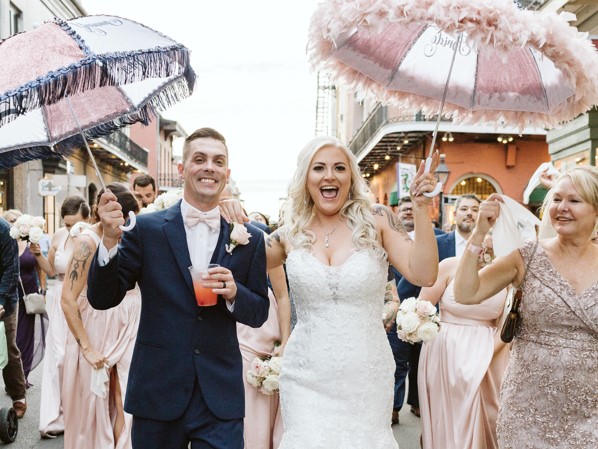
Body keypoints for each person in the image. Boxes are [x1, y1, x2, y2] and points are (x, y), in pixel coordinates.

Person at [248, 136, 440, 447]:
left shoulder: (377, 220)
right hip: (305, 375)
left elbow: (425, 273)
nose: (329, 176)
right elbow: (236, 260)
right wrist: (222, 212)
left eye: (339, 167)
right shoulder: (289, 234)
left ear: (351, 177)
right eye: (319, 168)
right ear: (305, 179)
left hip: (366, 374)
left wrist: (420, 208)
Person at [87, 127, 270, 449]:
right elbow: (103, 298)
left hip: (219, 397)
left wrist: (234, 293)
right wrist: (109, 241)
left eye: (217, 161)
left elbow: (258, 314)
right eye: (199, 159)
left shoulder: (249, 237)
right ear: (182, 169)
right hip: (157, 390)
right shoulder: (146, 229)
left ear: (227, 174)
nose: (208, 167)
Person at [453, 166, 598, 449]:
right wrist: (480, 232)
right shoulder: (527, 256)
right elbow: (466, 293)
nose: (562, 208)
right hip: (528, 408)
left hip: (591, 410)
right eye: (556, 199)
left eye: (574, 201)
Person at [60, 184, 141, 449]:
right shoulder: (87, 242)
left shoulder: (131, 238)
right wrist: (87, 347)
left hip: (130, 325)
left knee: (126, 397)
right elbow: (68, 300)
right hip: (95, 327)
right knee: (96, 400)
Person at [417, 233, 509, 449]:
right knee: (443, 415)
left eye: (495, 236)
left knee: (488, 416)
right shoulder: (449, 266)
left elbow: (507, 326)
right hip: (444, 353)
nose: (486, 246)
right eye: (484, 237)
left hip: (489, 355)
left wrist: (484, 356)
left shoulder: (506, 274)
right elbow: (423, 307)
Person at [396, 193, 481, 417]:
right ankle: (415, 405)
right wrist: (402, 309)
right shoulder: (439, 241)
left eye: (474, 209)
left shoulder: (492, 249)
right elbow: (415, 278)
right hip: (440, 326)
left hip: (477, 331)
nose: (469, 213)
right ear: (455, 213)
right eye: (464, 209)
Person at [32, 195, 91, 438]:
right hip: (59, 300)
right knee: (59, 357)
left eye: (75, 222)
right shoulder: (58, 236)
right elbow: (50, 269)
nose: (70, 228)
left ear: (87, 218)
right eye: (66, 224)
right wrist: (37, 254)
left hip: (84, 302)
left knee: (80, 357)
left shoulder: (91, 237)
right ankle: (56, 416)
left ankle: (81, 415)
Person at [3, 210, 49, 389]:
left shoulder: (31, 243)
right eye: (11, 221)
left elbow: (40, 269)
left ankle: (23, 375)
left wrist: (42, 289)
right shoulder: (6, 244)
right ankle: (14, 378)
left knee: (26, 336)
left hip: (29, 293)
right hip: (10, 293)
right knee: (13, 338)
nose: (15, 223)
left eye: (17, 220)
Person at [0, 215, 28, 418]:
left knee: (8, 349)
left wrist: (1, 300)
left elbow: (12, 269)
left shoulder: (5, 230)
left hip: (5, 299)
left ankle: (18, 396)